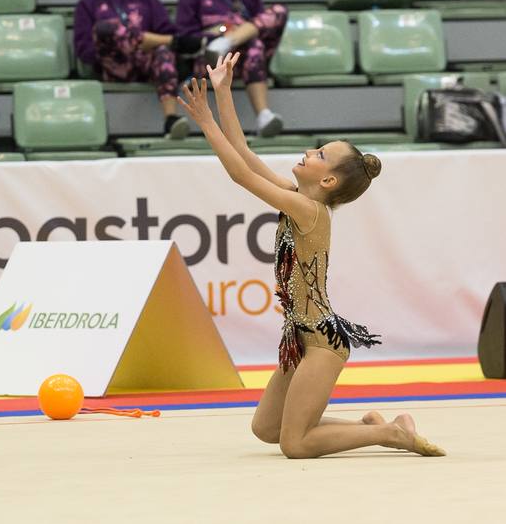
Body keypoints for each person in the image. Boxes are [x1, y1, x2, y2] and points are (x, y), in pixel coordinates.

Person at [178, 53, 447, 459]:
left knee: (295, 445)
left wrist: (206, 120)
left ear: (327, 180)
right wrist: (222, 92)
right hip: (299, 338)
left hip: (323, 340)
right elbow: (244, 153)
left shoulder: (309, 210)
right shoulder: (296, 197)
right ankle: (374, 426)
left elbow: (240, 174)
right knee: (267, 429)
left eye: (320, 154)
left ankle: (391, 436)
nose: (309, 151)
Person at [74, 0, 202, 138]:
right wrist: (121, 43)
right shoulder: (87, 4)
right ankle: (156, 42)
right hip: (113, 65)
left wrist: (142, 42)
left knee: (163, 50)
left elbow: (166, 29)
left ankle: (170, 119)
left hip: (146, 62)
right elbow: (85, 51)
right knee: (106, 28)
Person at [175, 0, 286, 138]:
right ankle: (223, 42)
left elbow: (263, 28)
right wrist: (212, 35)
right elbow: (183, 40)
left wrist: (231, 35)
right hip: (207, 61)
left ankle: (263, 115)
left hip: (245, 57)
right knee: (252, 45)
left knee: (275, 16)